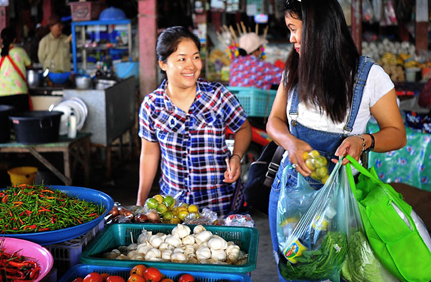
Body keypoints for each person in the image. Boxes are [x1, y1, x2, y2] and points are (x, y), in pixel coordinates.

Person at [266, 0, 406, 281]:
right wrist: (291, 144)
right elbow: (274, 122)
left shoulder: (368, 77)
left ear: (317, 30)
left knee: (334, 272)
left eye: (295, 29)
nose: (291, 38)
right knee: (292, 271)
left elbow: (396, 133)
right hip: (289, 193)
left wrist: (363, 141)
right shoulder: (294, 70)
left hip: (340, 200)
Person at [136, 26, 252, 216]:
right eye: (182, 59)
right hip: (173, 208)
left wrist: (236, 156)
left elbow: (243, 127)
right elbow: (149, 154)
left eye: (196, 57)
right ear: (163, 64)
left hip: (218, 205)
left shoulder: (218, 95)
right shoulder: (151, 105)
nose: (191, 65)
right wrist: (141, 202)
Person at [0, 27, 33, 112]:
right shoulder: (20, 52)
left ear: (1, 40)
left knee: (4, 123)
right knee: (20, 122)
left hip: (2, 93)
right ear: (15, 40)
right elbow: (30, 65)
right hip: (20, 92)